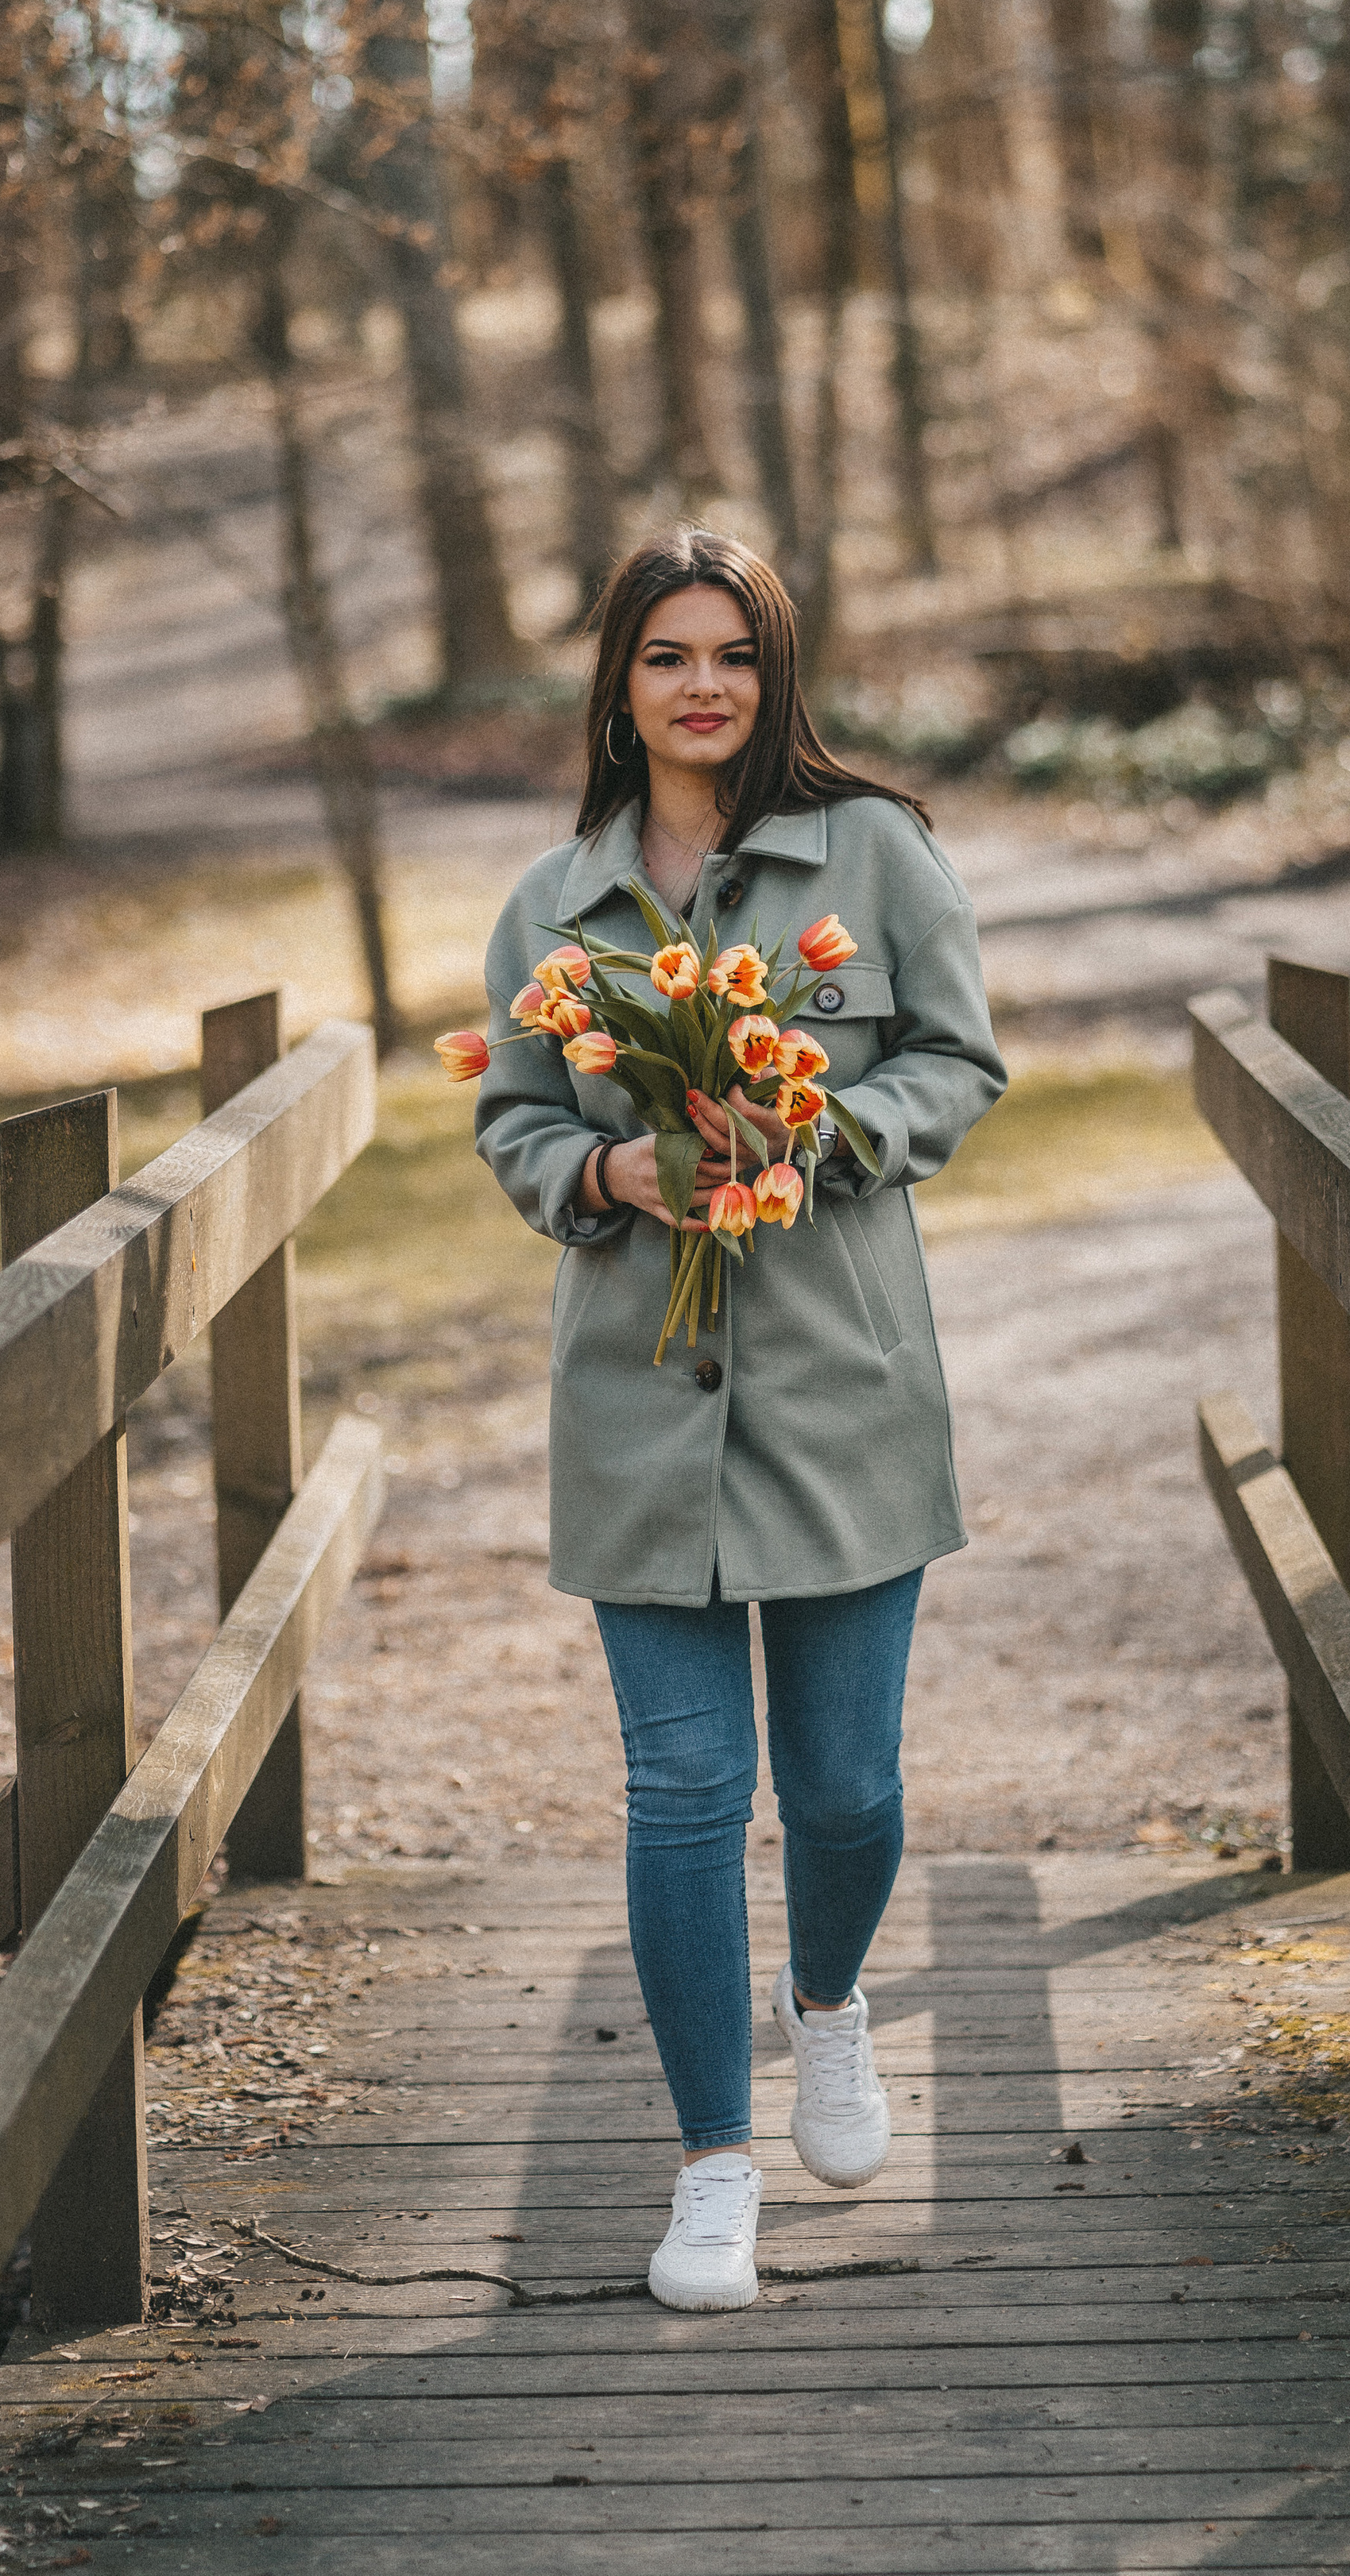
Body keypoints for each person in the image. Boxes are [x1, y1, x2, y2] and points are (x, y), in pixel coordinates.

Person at [474, 527, 1006, 2311]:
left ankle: (829, 2006)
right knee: (684, 1792)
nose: (702, 686)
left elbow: (954, 1061)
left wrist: (826, 1136)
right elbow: (513, 1126)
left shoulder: (876, 849)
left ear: (773, 677)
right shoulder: (553, 904)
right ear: (616, 691)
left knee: (843, 1788)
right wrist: (611, 1162)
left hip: (843, 1387)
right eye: (664, 658)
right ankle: (712, 2167)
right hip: (636, 1399)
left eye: (733, 655)